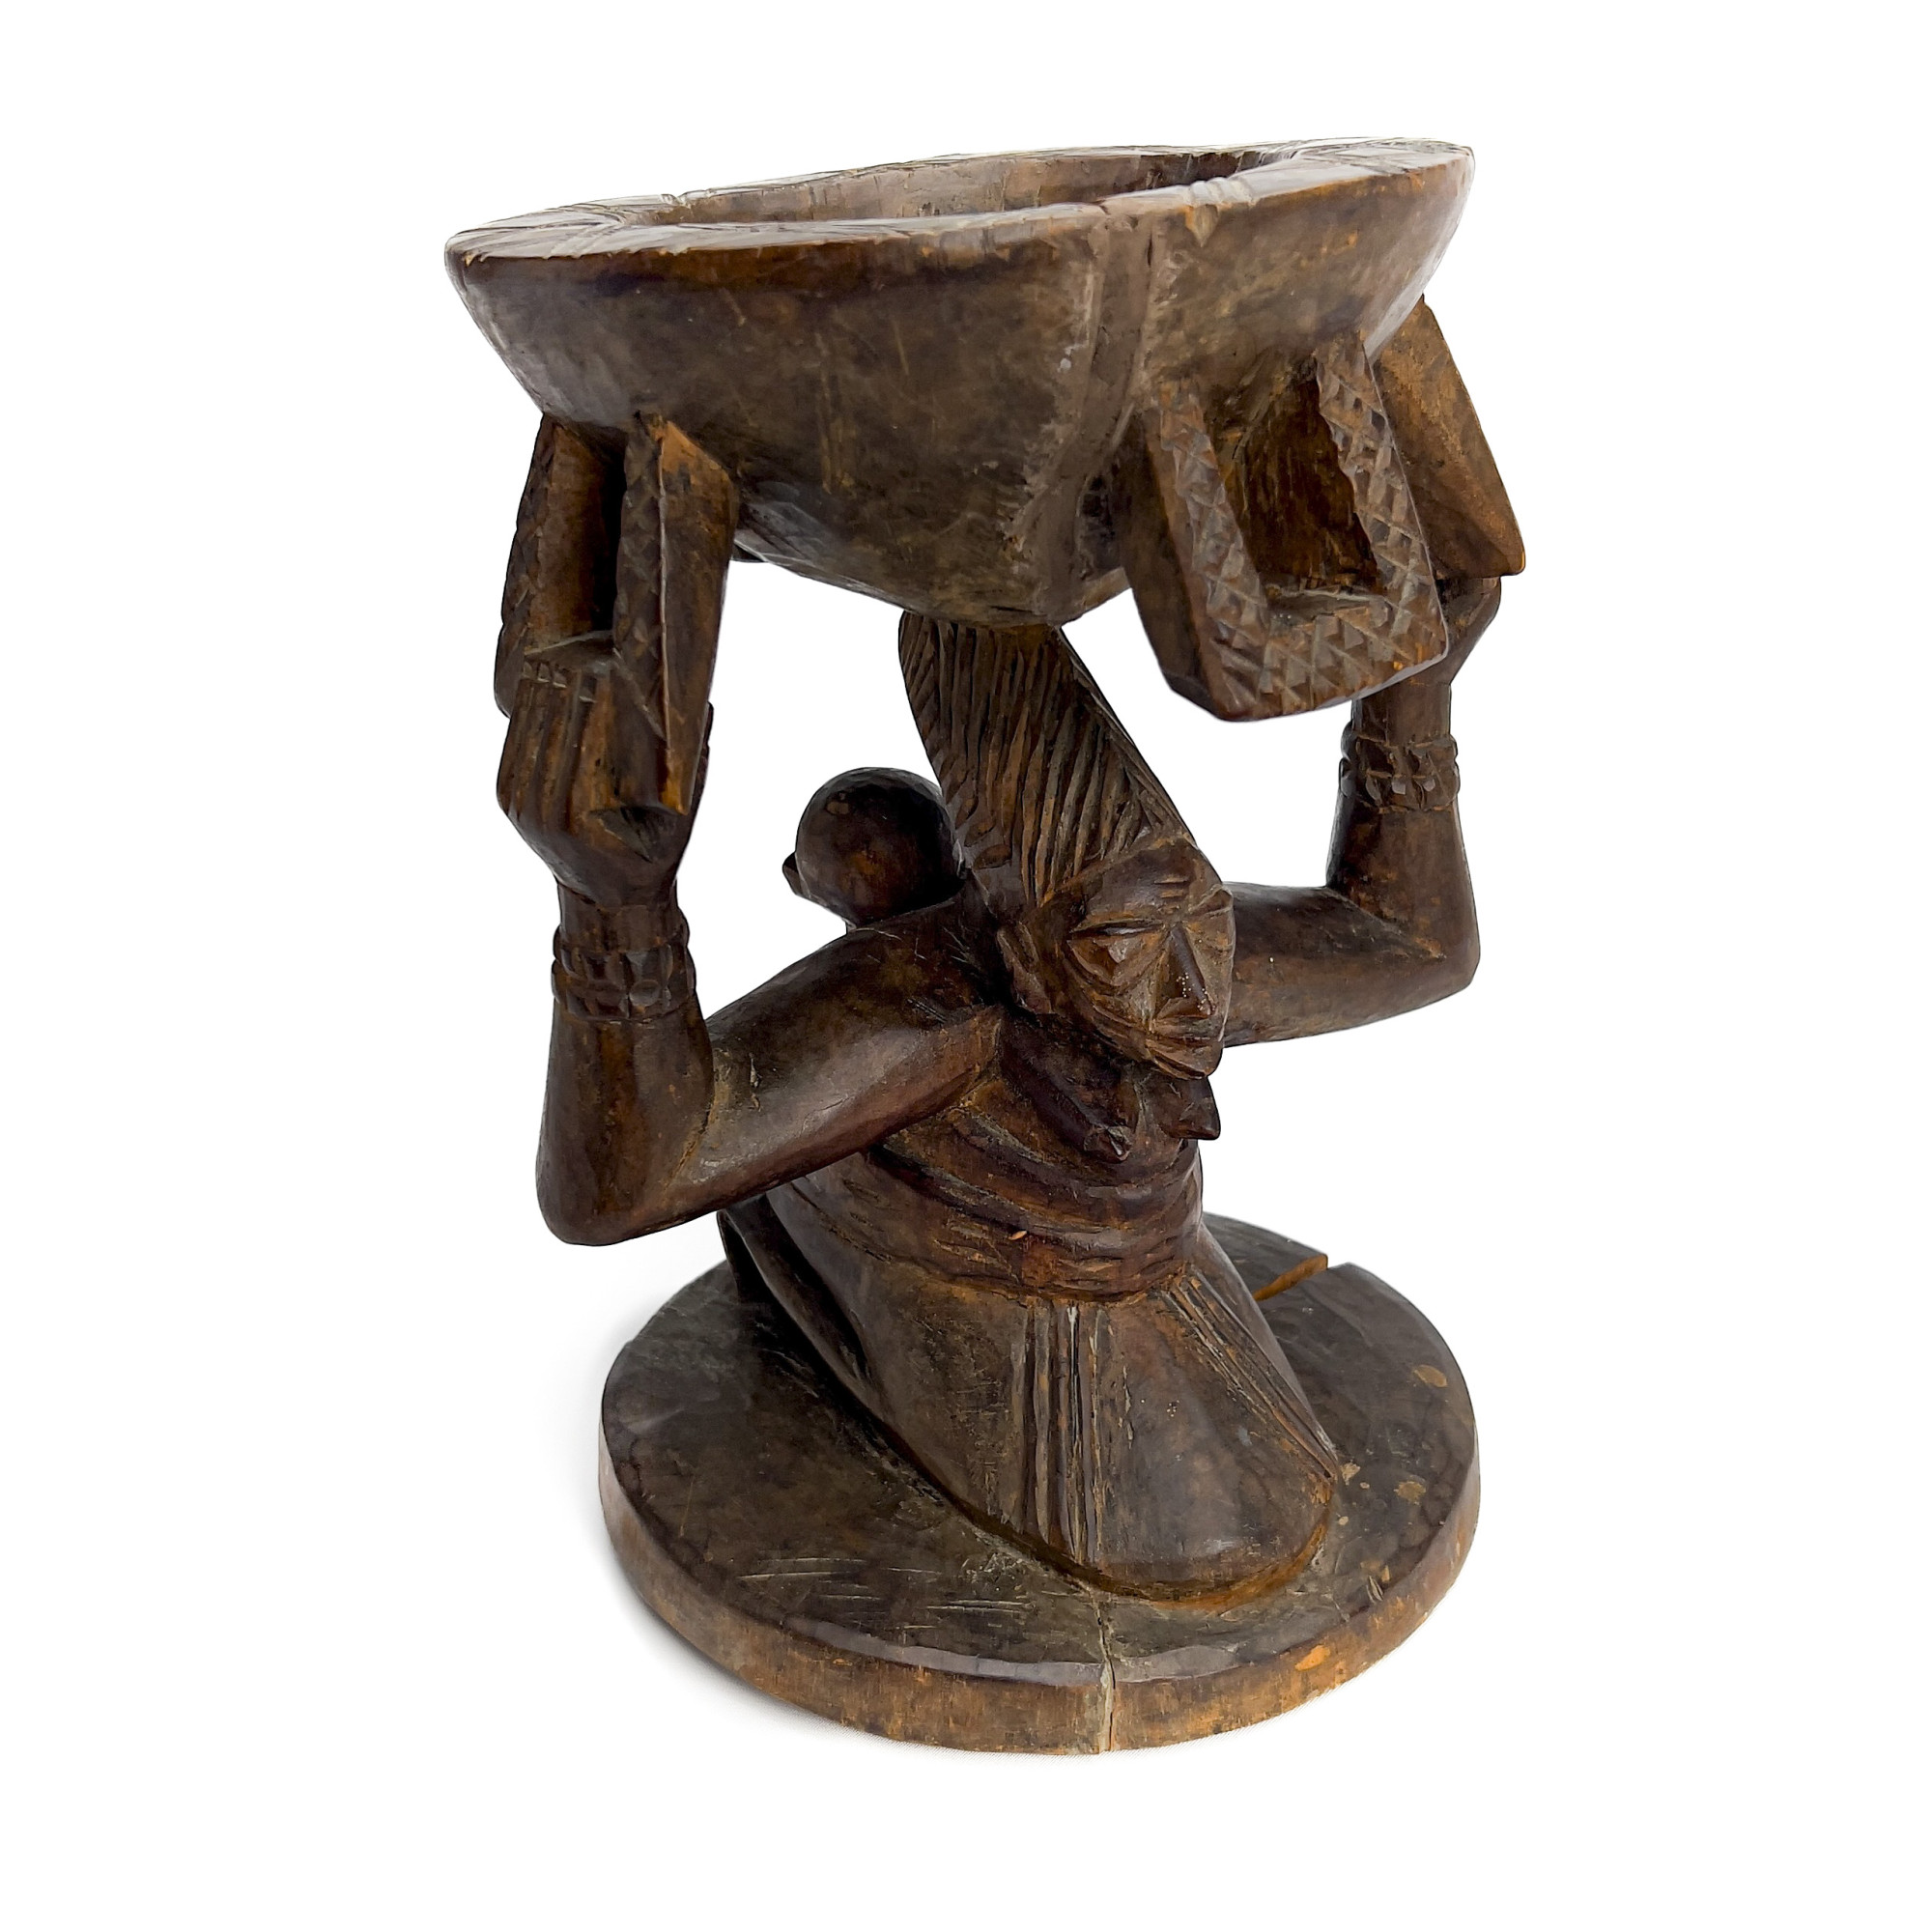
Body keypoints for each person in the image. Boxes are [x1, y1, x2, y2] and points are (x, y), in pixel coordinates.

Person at [498, 586, 1496, 1597]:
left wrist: (1410, 700)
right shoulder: (932, 1017)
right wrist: (612, 906)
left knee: (1244, 1516)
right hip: (1013, 1325)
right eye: (1120, 952)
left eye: (1201, 920)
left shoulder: (1171, 955)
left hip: (1161, 1290)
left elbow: (1414, 944)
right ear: (1022, 959)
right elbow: (617, 1186)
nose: (1195, 997)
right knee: (1185, 1544)